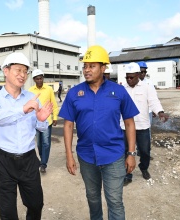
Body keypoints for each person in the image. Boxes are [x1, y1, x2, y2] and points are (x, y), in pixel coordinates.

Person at [59, 45, 139, 220]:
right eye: (85, 66)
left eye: (92, 66)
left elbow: (129, 122)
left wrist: (131, 153)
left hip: (114, 155)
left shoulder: (118, 91)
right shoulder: (74, 93)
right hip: (87, 156)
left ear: (103, 68)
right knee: (93, 199)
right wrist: (69, 156)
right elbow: (68, 125)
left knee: (115, 201)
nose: (86, 70)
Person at [0, 52, 53, 220]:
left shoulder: (32, 98)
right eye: (18, 70)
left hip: (29, 159)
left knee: (36, 204)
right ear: (6, 71)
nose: (22, 75)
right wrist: (22, 109)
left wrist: (42, 120)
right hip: (4, 160)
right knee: (7, 211)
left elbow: (41, 128)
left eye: (25, 71)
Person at [121, 62, 169, 186]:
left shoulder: (147, 87)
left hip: (142, 125)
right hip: (125, 127)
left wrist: (160, 112)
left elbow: (153, 101)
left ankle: (144, 168)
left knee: (145, 151)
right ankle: (127, 174)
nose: (129, 79)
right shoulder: (122, 88)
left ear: (138, 75)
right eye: (127, 77)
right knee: (125, 151)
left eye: (131, 77)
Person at [29, 69, 59, 173]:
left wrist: (55, 117)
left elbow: (54, 104)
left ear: (43, 78)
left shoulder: (49, 89)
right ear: (34, 79)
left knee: (46, 143)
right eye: (37, 79)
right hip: (36, 121)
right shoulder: (30, 91)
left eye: (41, 78)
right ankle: (43, 159)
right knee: (39, 144)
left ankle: (43, 164)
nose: (39, 80)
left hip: (47, 121)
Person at [137, 61, 155, 159]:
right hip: (135, 113)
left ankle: (146, 153)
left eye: (144, 72)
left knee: (147, 132)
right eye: (141, 72)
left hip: (147, 112)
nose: (143, 74)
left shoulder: (149, 82)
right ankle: (138, 150)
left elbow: (153, 97)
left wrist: (154, 109)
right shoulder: (132, 82)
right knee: (135, 131)